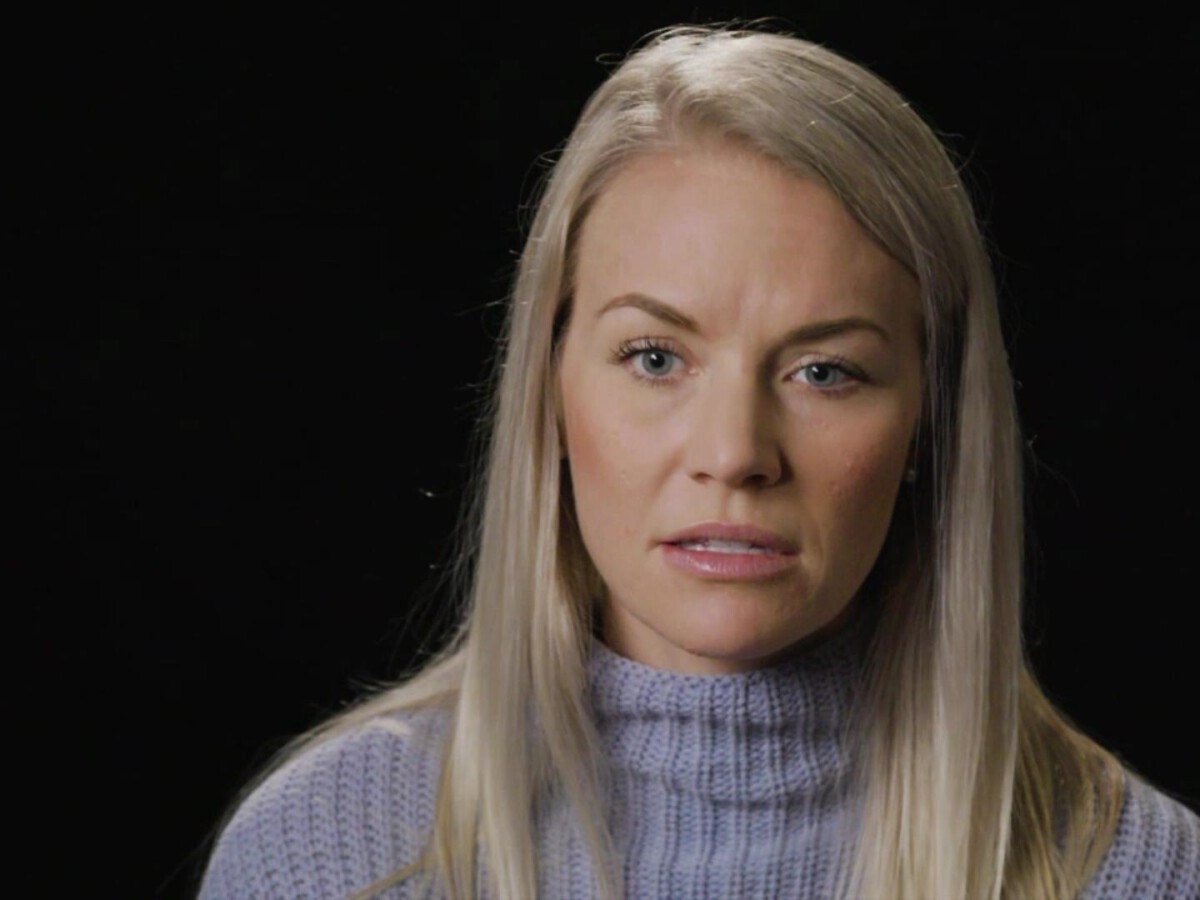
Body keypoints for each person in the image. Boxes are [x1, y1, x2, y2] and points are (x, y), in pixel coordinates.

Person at [198, 23, 1200, 899]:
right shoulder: (328, 856)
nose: (734, 454)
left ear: (930, 427)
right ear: (549, 393)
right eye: (655, 357)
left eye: (824, 371)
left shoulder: (1132, 872)